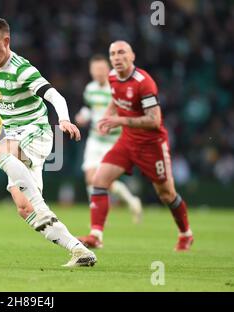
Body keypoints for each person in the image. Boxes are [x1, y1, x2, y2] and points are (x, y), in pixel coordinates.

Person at [0, 17, 97, 267]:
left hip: (38, 131)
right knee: (25, 208)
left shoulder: (23, 69)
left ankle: (42, 207)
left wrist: (64, 120)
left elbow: (55, 95)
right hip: (13, 135)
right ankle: (79, 250)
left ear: (6, 40)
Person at [78, 41, 193, 251]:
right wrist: (106, 117)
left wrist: (119, 121)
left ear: (132, 56)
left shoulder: (144, 83)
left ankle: (186, 233)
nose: (116, 57)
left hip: (151, 145)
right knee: (99, 180)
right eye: (112, 54)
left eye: (121, 52)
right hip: (127, 141)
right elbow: (116, 99)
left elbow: (154, 120)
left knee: (166, 194)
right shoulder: (112, 77)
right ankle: (96, 235)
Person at [75, 55, 142, 224]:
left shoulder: (116, 87)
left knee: (102, 179)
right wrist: (82, 116)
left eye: (101, 69)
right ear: (91, 71)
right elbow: (90, 108)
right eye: (95, 69)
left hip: (113, 141)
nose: (98, 72)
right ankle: (99, 214)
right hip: (95, 139)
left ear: (108, 69)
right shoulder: (90, 88)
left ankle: (130, 202)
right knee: (90, 178)